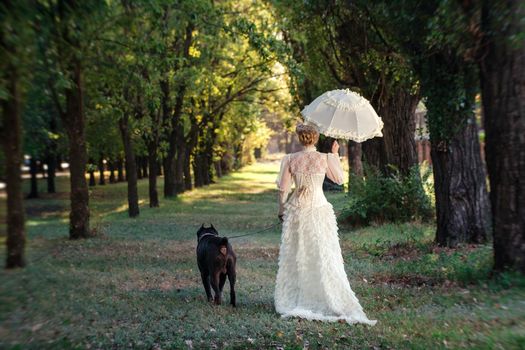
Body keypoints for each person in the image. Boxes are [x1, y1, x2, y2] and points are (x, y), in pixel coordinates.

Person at [274, 123, 376, 325]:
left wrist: (281, 209)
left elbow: (283, 189)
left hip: (297, 210)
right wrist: (335, 154)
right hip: (319, 209)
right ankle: (323, 294)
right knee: (322, 252)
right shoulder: (324, 158)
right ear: (315, 138)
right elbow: (338, 179)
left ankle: (299, 295)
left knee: (299, 253)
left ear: (300, 138)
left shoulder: (291, 159)